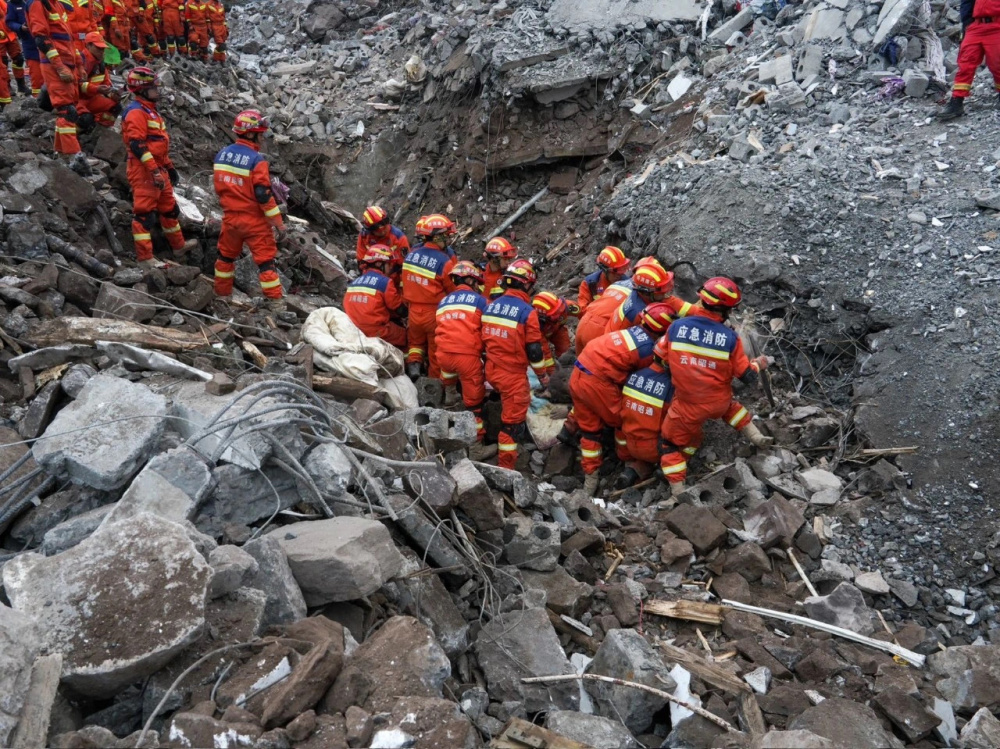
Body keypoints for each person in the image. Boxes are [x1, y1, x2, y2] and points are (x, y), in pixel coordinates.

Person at [659, 277, 773, 496]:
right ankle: (756, 437)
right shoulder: (730, 338)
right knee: (730, 407)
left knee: (669, 445)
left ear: (702, 300)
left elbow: (662, 359)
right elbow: (746, 376)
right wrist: (759, 363)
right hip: (718, 401)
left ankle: (678, 491)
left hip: (687, 406)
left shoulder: (676, 328)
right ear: (727, 310)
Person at [569, 303, 675, 496]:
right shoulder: (646, 351)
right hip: (597, 383)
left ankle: (590, 481)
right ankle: (627, 459)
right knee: (623, 418)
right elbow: (642, 379)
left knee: (590, 431)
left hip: (578, 374)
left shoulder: (631, 332)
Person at [122, 67, 198, 269]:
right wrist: (155, 170)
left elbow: (158, 146)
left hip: (157, 168)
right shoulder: (136, 113)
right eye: (154, 87)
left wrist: (168, 167)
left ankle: (178, 246)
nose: (158, 90)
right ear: (142, 89)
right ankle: (145, 258)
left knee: (169, 210)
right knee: (144, 214)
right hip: (144, 170)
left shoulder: (150, 111)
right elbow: (137, 145)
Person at [212, 109, 287, 308]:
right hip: (254, 221)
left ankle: (222, 295)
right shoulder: (256, 160)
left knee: (225, 257)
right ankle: (276, 303)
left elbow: (218, 187)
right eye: (260, 133)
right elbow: (263, 196)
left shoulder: (222, 155)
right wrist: (278, 223)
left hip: (230, 218)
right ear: (251, 133)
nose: (262, 137)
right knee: (265, 263)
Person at [482, 259, 548, 469]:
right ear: (526, 285)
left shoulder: (491, 306)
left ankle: (490, 437)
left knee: (502, 406)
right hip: (512, 376)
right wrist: (543, 376)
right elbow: (535, 351)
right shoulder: (527, 312)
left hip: (491, 369)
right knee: (512, 426)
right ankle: (505, 468)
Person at [400, 213, 457, 380]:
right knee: (435, 351)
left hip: (413, 312)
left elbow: (404, 282)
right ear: (436, 237)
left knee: (416, 343)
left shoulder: (411, 255)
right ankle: (432, 384)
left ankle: (414, 367)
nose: (448, 239)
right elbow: (452, 291)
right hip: (434, 313)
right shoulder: (444, 262)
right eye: (446, 236)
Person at [435, 261, 487, 436]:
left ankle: (450, 396)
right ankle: (476, 446)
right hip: (466, 357)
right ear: (471, 281)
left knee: (449, 372)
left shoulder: (443, 301)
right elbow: (486, 328)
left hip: (442, 355)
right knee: (474, 404)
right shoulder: (480, 301)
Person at [616, 335, 674, 489]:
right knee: (690, 432)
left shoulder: (634, 376)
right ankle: (668, 468)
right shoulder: (671, 387)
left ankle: (635, 469)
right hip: (654, 449)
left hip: (628, 445)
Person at [26, 0, 82, 154]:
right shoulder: (38, 3)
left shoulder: (55, 4)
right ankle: (75, 158)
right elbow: (41, 38)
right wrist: (59, 66)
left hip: (67, 62)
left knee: (69, 108)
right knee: (67, 110)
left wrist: (79, 64)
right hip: (55, 65)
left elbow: (68, 38)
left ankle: (62, 152)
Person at [940, 0, 1000, 120]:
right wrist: (967, 24)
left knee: (997, 64)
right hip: (975, 26)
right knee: (965, 64)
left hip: (997, 25)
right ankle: (956, 102)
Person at [343, 244, 406, 349]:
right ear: (378, 263)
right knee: (408, 336)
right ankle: (404, 362)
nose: (391, 268)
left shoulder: (354, 282)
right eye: (389, 264)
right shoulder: (385, 282)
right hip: (375, 331)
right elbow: (399, 308)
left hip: (353, 329)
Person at [604, 264, 692, 334]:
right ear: (646, 293)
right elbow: (654, 338)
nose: (665, 293)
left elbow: (685, 308)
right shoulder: (639, 314)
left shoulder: (641, 294)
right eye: (661, 291)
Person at [77, 30, 120, 129]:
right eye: (99, 48)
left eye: (103, 49)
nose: (102, 52)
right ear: (88, 46)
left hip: (92, 99)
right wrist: (97, 89)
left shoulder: (100, 64)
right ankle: (79, 136)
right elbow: (77, 85)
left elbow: (106, 83)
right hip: (77, 100)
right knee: (85, 119)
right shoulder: (80, 61)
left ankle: (100, 129)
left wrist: (111, 94)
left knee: (116, 107)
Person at [531, 291, 575, 377]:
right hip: (544, 333)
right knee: (544, 355)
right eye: (555, 315)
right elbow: (545, 354)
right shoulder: (535, 327)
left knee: (565, 348)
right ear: (543, 318)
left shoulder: (566, 306)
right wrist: (554, 375)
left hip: (558, 330)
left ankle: (566, 365)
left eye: (560, 311)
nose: (559, 315)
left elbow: (584, 312)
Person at [577, 245, 630, 314]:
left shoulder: (628, 285)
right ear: (604, 270)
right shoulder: (590, 283)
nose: (618, 275)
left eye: (621, 271)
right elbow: (582, 310)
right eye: (615, 272)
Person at [5, 0, 41, 96]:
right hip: (29, 41)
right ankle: (38, 99)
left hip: (45, 39)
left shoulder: (38, 2)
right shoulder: (13, 4)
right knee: (35, 72)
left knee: (50, 71)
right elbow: (10, 22)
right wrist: (20, 27)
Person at [0, 0, 27, 107]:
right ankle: (6, 87)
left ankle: (21, 86)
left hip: (9, 33)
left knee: (19, 59)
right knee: (3, 64)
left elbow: (8, 13)